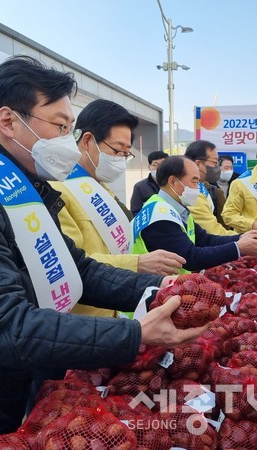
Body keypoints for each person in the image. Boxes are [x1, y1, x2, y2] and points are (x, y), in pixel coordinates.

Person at [0, 56, 206, 449]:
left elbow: (77, 271)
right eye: (60, 127)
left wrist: (159, 290)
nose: (67, 141)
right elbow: (4, 324)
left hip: (8, 389)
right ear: (9, 121)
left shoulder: (23, 188)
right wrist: (134, 333)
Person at [50, 100, 184, 318]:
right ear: (87, 140)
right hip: (82, 319)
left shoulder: (103, 189)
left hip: (114, 309)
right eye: (117, 150)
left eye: (126, 153)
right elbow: (71, 264)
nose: (121, 160)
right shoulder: (57, 190)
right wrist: (138, 263)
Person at [132, 155, 257, 272]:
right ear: (173, 181)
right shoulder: (161, 217)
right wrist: (238, 248)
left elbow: (204, 240)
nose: (197, 189)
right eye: (194, 182)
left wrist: (240, 238)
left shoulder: (173, 208)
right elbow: (190, 258)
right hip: (152, 291)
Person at [184, 140, 236, 235]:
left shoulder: (201, 186)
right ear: (198, 164)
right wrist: (241, 238)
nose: (217, 168)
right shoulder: (190, 192)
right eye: (215, 163)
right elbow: (212, 230)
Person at [130, 150, 169, 216]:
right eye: (155, 165)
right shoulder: (140, 187)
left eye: (162, 165)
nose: (159, 168)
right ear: (149, 167)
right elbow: (135, 212)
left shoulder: (174, 184)